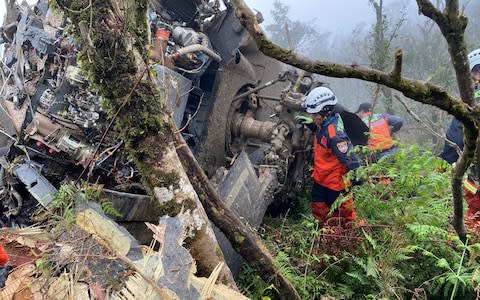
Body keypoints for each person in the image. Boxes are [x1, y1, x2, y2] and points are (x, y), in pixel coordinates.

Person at [295, 86, 361, 226]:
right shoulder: (325, 122)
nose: (312, 117)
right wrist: (313, 126)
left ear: (326, 112)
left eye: (315, 115)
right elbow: (323, 135)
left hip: (334, 183)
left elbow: (350, 159)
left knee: (344, 215)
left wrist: (357, 178)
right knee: (318, 208)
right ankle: (324, 232)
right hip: (321, 178)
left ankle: (347, 235)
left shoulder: (336, 136)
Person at [439, 48, 480, 228]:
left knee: (474, 214)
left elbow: (455, 137)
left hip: (475, 173)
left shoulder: (471, 102)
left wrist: (444, 161)